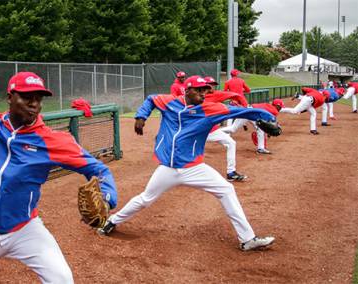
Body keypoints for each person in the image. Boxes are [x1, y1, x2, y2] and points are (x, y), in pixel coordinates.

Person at [0, 42, 117, 284]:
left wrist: (107, 197)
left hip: (24, 229)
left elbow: (97, 168)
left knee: (62, 279)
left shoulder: (52, 140)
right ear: (10, 97)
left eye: (38, 98)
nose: (34, 104)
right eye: (27, 97)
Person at [97, 75, 277, 251]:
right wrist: (141, 117)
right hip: (168, 168)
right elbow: (151, 99)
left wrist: (268, 117)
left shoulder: (209, 108)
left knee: (226, 190)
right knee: (145, 199)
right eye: (200, 90)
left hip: (195, 168)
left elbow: (243, 111)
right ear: (188, 90)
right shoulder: (170, 103)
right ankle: (112, 221)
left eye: (205, 91)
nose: (204, 94)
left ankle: (247, 239)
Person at [203, 76, 248, 182]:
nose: (212, 87)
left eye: (214, 85)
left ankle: (231, 172)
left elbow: (236, 95)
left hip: (210, 131)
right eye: (210, 85)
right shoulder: (196, 96)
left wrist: (245, 107)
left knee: (231, 143)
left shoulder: (216, 95)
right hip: (197, 131)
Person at [220, 99, 285, 154]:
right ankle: (215, 131)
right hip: (248, 112)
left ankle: (261, 149)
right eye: (280, 107)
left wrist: (268, 131)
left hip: (251, 112)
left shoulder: (269, 106)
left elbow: (268, 123)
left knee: (260, 130)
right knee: (232, 129)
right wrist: (269, 132)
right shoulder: (274, 111)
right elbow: (271, 123)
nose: (281, 108)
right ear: (277, 106)